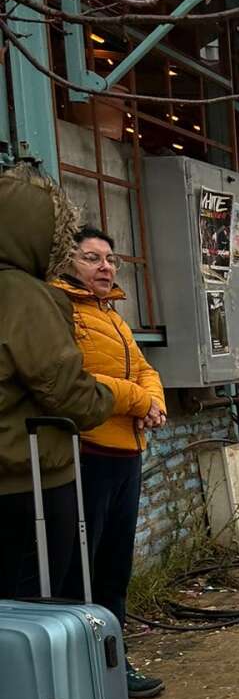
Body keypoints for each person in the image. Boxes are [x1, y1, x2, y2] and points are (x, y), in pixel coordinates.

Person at [54, 226, 167, 699]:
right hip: (87, 452)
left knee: (115, 566)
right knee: (82, 567)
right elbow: (78, 379)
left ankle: (113, 664)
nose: (106, 267)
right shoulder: (60, 310)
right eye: (91, 258)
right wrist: (140, 401)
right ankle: (77, 674)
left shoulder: (112, 315)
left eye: (110, 258)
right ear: (67, 263)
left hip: (126, 452)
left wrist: (154, 400)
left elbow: (142, 367)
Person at [0, 167, 117, 605]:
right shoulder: (23, 294)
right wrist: (110, 400)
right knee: (36, 605)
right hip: (28, 480)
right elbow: (65, 389)